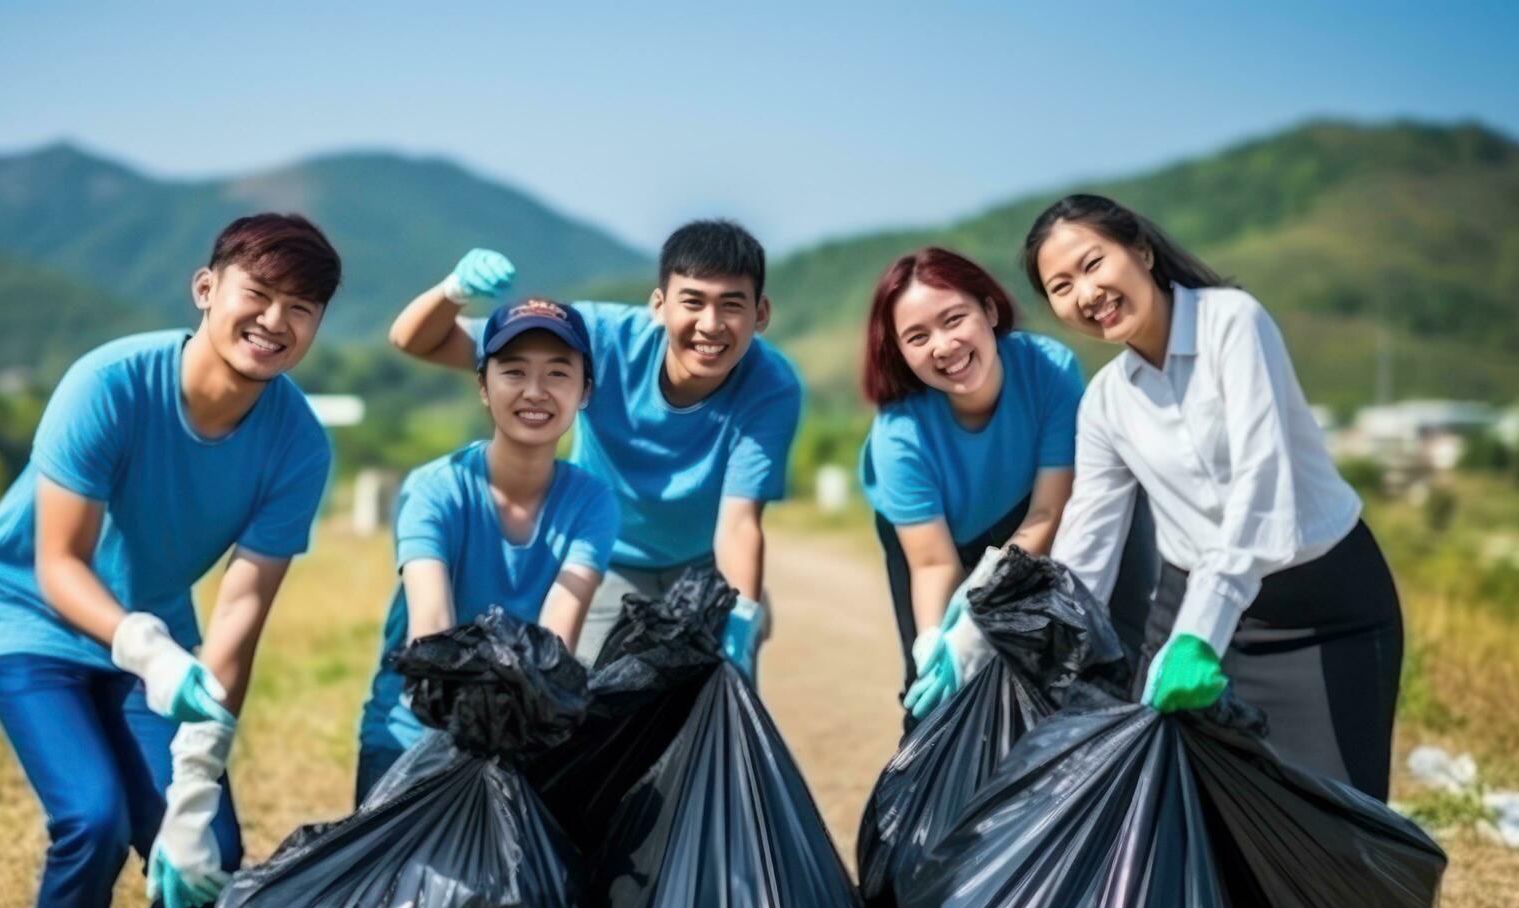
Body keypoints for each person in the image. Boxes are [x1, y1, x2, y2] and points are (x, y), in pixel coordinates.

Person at [0, 214, 340, 908]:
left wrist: (196, 779)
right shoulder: (111, 383)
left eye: (301, 309)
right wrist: (149, 650)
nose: (274, 321)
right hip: (20, 614)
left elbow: (241, 611)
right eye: (257, 294)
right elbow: (59, 564)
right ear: (205, 288)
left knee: (211, 852)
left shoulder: (298, 444)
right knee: (92, 820)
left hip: (150, 644)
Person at [1029, 193, 1403, 800]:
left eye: (1093, 263)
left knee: (1334, 819)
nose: (1086, 293)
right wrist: (1042, 652)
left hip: (1318, 606)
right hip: (1186, 607)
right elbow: (1087, 543)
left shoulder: (1232, 322)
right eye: (1061, 285)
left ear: (1142, 251)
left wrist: (1203, 634)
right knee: (1168, 806)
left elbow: (1262, 483)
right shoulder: (1105, 401)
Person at [387, 221, 802, 677]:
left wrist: (740, 615)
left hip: (704, 568)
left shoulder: (770, 386)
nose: (710, 325)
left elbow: (740, 522)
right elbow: (416, 340)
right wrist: (454, 290)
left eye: (731, 305)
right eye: (693, 302)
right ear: (659, 306)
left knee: (713, 708)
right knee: (589, 706)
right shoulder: (598, 339)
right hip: (604, 558)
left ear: (760, 314)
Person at [357, 298, 619, 798]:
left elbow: (554, 642)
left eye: (558, 374)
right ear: (483, 385)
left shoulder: (592, 502)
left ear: (584, 391)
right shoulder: (436, 488)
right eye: (514, 372)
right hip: (413, 734)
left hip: (524, 735)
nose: (535, 392)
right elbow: (431, 633)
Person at [856, 247, 1084, 725]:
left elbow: (1048, 511)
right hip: (931, 537)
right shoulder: (898, 432)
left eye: (954, 319)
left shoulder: (1049, 370)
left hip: (1026, 515)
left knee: (1041, 665)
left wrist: (985, 594)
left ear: (990, 310)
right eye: (917, 336)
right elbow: (933, 562)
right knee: (935, 683)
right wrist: (936, 641)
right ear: (899, 351)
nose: (943, 346)